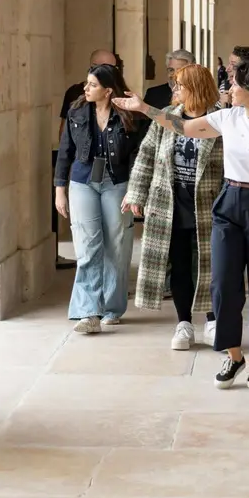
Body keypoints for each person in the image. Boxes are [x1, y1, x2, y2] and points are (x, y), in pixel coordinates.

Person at [115, 59, 249, 390]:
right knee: (222, 283)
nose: (229, 88)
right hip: (229, 202)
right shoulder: (227, 118)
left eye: (236, 83)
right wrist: (143, 108)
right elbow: (181, 127)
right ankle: (234, 356)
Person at [122, 64, 224, 350]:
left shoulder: (219, 120)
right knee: (179, 265)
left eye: (180, 85)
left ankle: (213, 319)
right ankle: (184, 323)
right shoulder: (166, 117)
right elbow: (146, 155)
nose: (175, 90)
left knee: (210, 264)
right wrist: (136, 193)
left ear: (196, 88)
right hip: (171, 202)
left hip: (208, 203)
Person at [55, 63, 146, 333]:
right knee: (87, 246)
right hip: (83, 181)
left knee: (117, 246)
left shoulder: (129, 115)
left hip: (117, 183)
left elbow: (138, 154)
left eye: (92, 85)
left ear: (108, 91)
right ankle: (88, 312)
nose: (86, 88)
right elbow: (65, 151)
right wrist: (60, 189)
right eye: (87, 83)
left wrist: (135, 188)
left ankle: (112, 308)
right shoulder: (76, 110)